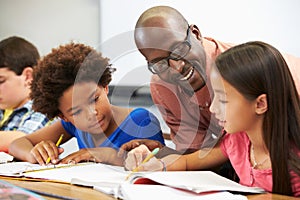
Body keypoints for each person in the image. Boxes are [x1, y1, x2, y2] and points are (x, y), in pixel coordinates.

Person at [124, 41, 300, 197]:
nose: (212, 108)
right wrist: (158, 166)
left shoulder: (295, 157)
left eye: (223, 100)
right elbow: (187, 162)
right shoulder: (237, 141)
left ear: (260, 104)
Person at [119, 6, 300, 156]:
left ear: (196, 34)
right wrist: (161, 153)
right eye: (159, 63)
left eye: (179, 49)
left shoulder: (253, 69)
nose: (177, 67)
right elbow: (197, 154)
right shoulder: (162, 88)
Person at [9, 42, 165, 166]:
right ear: (64, 116)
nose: (92, 113)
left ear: (105, 87)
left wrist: (101, 154)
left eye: (94, 99)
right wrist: (34, 153)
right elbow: (18, 143)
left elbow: (155, 164)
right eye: (76, 112)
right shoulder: (71, 125)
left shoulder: (141, 120)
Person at [0, 36, 51, 153]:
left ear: (27, 76)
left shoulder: (44, 108)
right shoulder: (4, 108)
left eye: (1, 81)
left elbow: (25, 139)